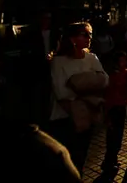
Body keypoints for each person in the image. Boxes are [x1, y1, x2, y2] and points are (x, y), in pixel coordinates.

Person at [48, 22, 108, 175]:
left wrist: (78, 83)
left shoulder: (92, 58)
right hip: (64, 119)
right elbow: (62, 93)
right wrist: (89, 84)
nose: (89, 38)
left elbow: (104, 80)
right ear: (73, 39)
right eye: (85, 34)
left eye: (90, 34)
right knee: (64, 163)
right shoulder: (59, 62)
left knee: (80, 159)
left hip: (86, 117)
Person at [98, 52, 127, 181]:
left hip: (122, 106)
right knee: (112, 138)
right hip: (113, 108)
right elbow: (108, 95)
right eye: (121, 61)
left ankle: (112, 160)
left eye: (125, 61)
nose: (124, 63)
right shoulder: (112, 76)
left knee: (118, 137)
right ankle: (108, 162)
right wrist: (107, 114)